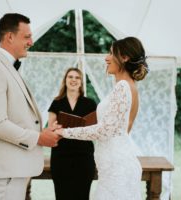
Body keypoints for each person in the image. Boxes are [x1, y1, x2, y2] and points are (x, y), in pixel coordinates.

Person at [0, 13, 61, 200]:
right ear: (10, 37)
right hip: (4, 172)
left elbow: (16, 117)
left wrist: (43, 131)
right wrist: (39, 137)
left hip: (13, 169)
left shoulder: (6, 67)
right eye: (27, 36)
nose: (31, 41)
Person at [56, 37, 148, 200]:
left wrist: (64, 132)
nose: (106, 58)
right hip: (114, 167)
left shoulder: (122, 87)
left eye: (111, 53)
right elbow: (123, 128)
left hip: (116, 170)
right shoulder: (131, 86)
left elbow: (105, 131)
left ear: (125, 57)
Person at [48, 68, 97, 200]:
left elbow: (95, 130)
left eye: (77, 77)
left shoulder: (90, 103)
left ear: (81, 82)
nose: (73, 80)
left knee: (82, 195)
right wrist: (55, 128)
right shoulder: (57, 102)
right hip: (61, 157)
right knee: (62, 195)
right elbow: (50, 129)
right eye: (70, 77)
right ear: (65, 81)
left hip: (84, 157)